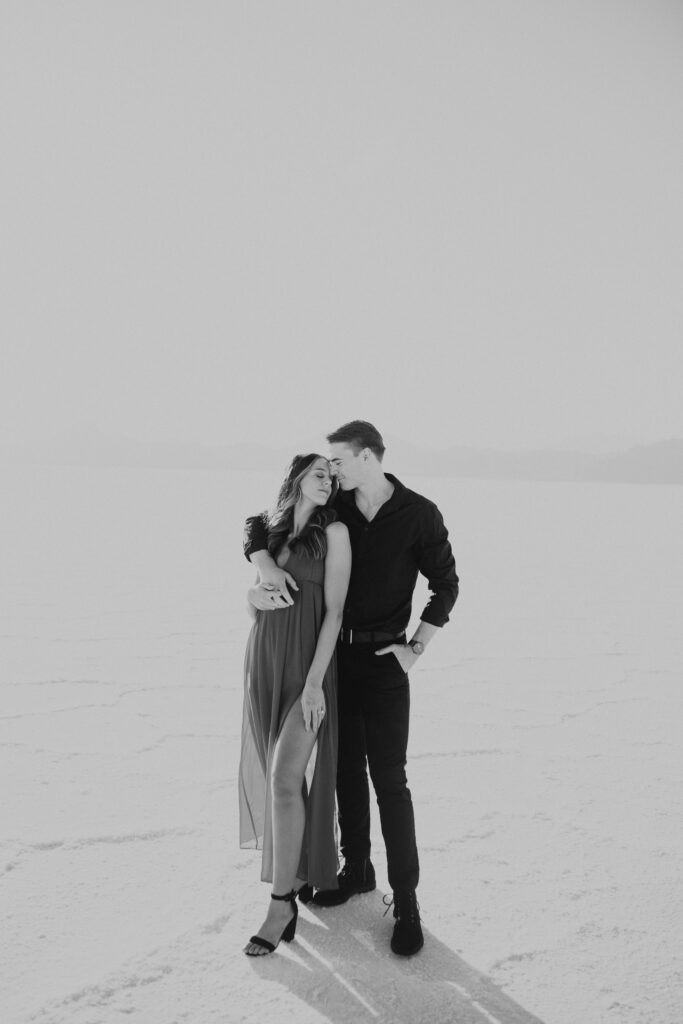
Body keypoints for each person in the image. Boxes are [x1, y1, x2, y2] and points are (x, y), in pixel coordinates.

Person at [243, 421, 458, 957]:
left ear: (367, 456)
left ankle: (406, 902)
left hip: (384, 661)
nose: (332, 470)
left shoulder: (418, 513)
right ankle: (356, 867)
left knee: (390, 780)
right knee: (344, 771)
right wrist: (259, 572)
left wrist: (416, 646)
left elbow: (446, 584)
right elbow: (264, 526)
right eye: (328, 465)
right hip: (334, 658)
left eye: (338, 460)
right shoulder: (335, 507)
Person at [239, 454, 351, 956]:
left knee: (286, 780)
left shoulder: (336, 534)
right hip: (265, 660)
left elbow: (334, 613)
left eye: (332, 476)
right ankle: (294, 877)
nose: (328, 481)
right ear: (298, 478)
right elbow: (259, 600)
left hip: (308, 670)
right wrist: (251, 596)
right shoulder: (272, 535)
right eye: (319, 473)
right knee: (278, 780)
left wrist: (314, 684)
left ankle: (280, 904)